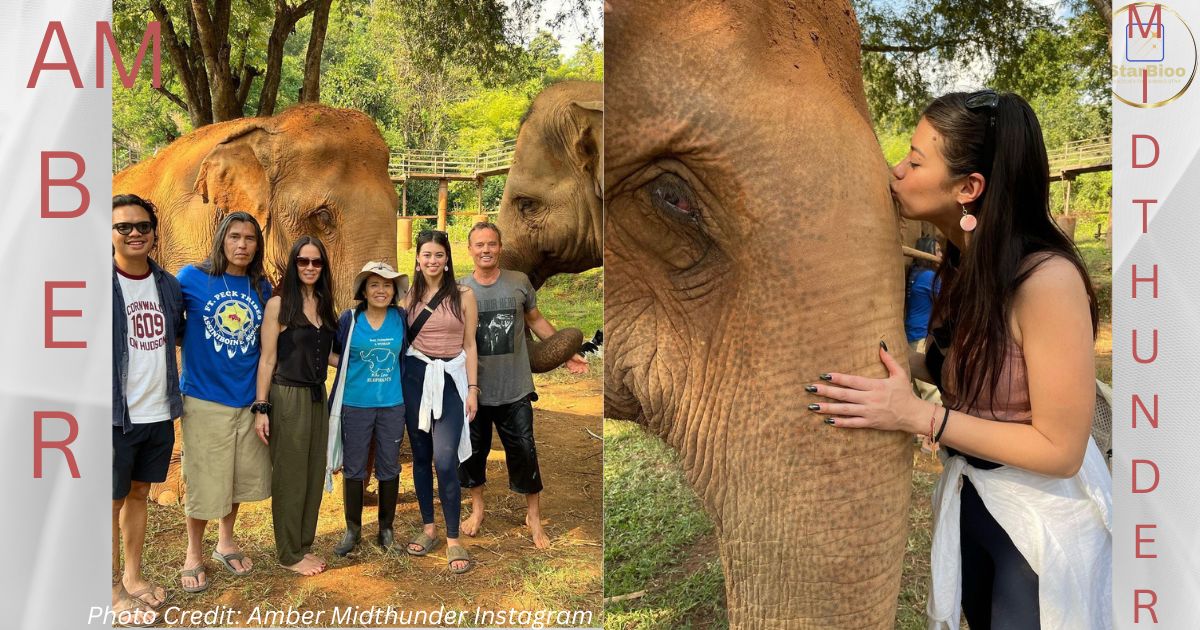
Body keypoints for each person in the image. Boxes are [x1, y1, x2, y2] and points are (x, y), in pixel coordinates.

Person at [807, 91, 1110, 629]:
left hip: (1038, 530)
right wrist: (889, 365)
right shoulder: (962, 266)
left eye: (915, 161)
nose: (896, 172)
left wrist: (918, 416)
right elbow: (956, 368)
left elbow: (1060, 449)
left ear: (968, 188)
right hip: (975, 504)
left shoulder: (1047, 282)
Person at [458, 222, 587, 549]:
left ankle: (534, 517)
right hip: (475, 391)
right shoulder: (460, 289)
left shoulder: (519, 283)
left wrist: (566, 352)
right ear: (470, 250)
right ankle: (477, 509)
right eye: (479, 245)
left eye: (491, 244)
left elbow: (536, 321)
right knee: (474, 454)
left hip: (514, 388)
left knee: (525, 452)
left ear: (500, 248)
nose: (485, 250)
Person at [176, 212, 273, 592]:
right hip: (204, 398)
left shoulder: (261, 287)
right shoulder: (191, 279)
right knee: (204, 478)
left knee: (236, 476)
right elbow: (174, 325)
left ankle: (226, 542)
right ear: (221, 239)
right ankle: (193, 553)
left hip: (248, 400)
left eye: (250, 238)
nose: (242, 245)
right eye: (235, 237)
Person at [111, 194, 184, 626]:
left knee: (138, 495)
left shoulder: (168, 285)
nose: (135, 233)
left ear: (154, 233)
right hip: (114, 415)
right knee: (109, 501)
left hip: (158, 412)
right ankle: (111, 590)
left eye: (142, 226)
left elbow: (177, 337)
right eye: (124, 227)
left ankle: (133, 577)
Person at [253, 236, 337, 576]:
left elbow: (326, 354)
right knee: (290, 477)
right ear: (293, 264)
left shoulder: (324, 302)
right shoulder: (279, 305)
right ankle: (288, 553)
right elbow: (267, 359)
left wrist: (358, 359)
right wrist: (261, 406)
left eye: (316, 262)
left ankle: (303, 543)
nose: (310, 268)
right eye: (303, 262)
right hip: (288, 397)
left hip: (319, 397)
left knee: (314, 473)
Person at [401, 230, 478, 573]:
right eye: (426, 255)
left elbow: (470, 345)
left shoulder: (464, 295)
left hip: (449, 379)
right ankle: (428, 527)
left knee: (445, 458)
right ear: (417, 260)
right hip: (415, 378)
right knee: (420, 455)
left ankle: (453, 538)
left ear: (447, 259)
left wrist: (473, 389)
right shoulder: (407, 297)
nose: (432, 261)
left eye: (438, 255)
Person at [328, 261, 408, 556]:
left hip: (392, 404)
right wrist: (351, 366)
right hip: (355, 404)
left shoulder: (401, 317)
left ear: (394, 290)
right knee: (354, 466)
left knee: (389, 465)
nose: (381, 290)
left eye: (387, 285)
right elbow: (332, 352)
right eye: (374, 284)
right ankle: (353, 530)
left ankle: (386, 530)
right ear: (363, 289)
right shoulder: (350, 319)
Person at [905, 235, 942, 404]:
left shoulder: (914, 275)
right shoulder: (928, 276)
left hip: (912, 334)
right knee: (931, 391)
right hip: (921, 336)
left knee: (916, 388)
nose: (941, 255)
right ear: (928, 252)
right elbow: (947, 300)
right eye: (938, 250)